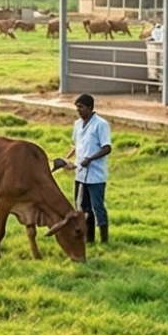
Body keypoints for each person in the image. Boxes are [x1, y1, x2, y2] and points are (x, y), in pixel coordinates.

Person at [64, 93, 112, 245]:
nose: (78, 110)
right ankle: (89, 238)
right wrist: (66, 158)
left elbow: (107, 148)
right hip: (80, 173)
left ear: (90, 108)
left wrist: (90, 159)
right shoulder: (77, 124)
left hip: (95, 175)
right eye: (77, 107)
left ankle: (104, 239)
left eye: (81, 107)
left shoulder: (100, 124)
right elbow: (77, 145)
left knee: (97, 206)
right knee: (83, 207)